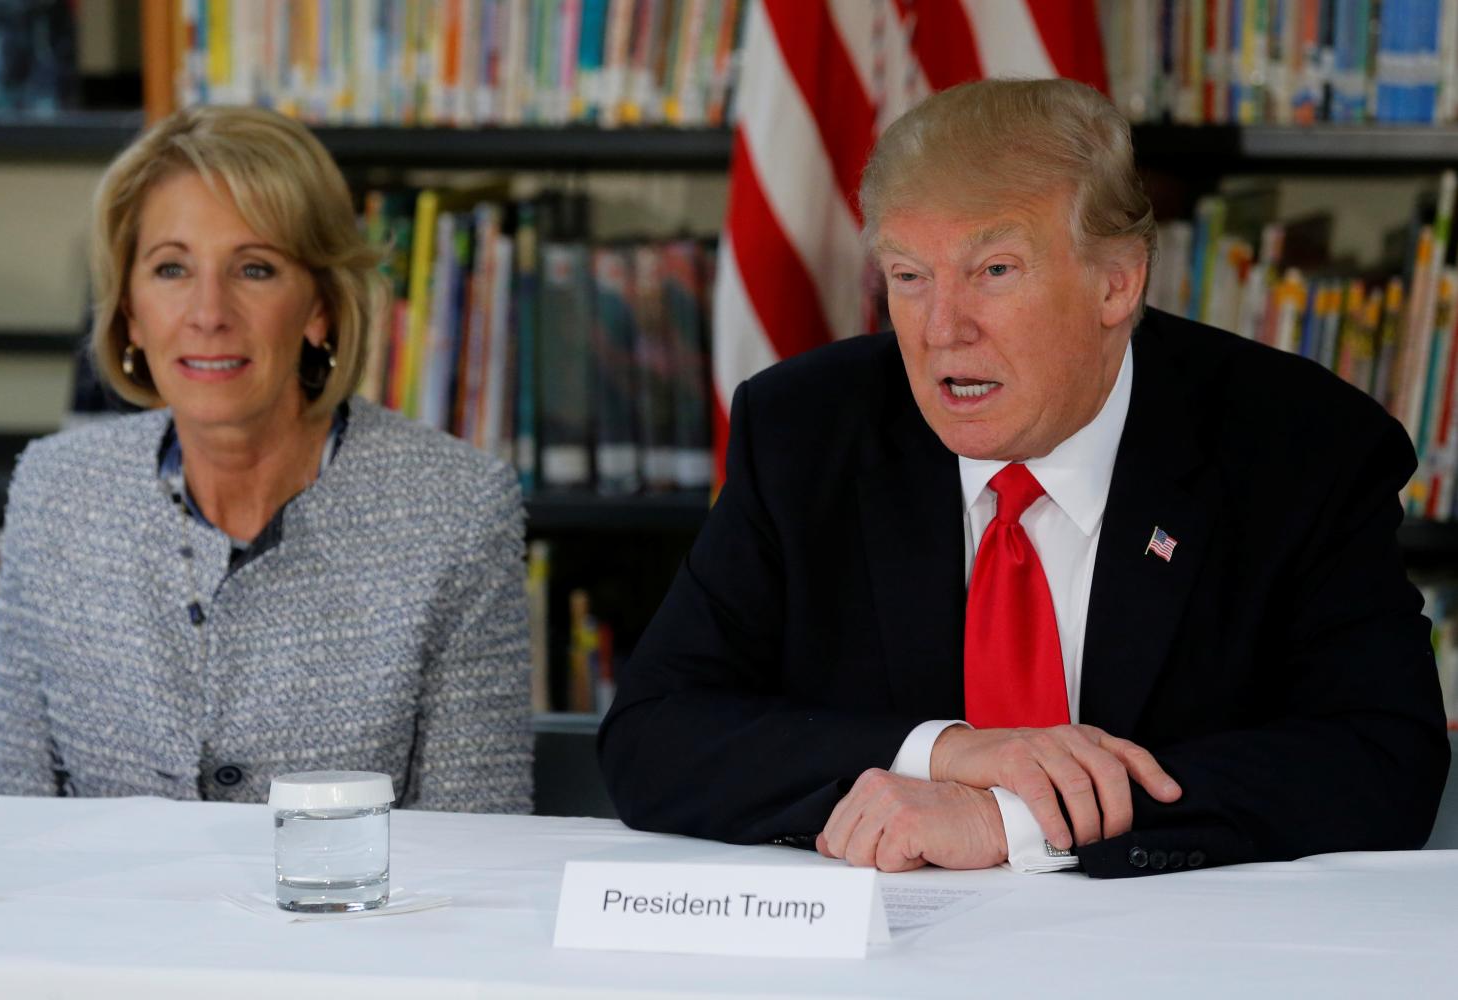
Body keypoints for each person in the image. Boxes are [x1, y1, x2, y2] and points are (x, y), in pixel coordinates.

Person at [598, 79, 1449, 877]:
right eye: (908, 278)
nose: (941, 329)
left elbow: (1381, 760)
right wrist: (949, 751)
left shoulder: (1299, 447)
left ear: (1116, 282)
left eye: (994, 272)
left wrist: (1015, 821)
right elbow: (653, 735)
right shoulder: (806, 432)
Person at [0, 106, 532, 812]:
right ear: (130, 314)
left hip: (354, 923)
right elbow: (14, 821)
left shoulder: (457, 509)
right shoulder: (55, 493)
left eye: (255, 268)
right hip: (111, 923)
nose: (208, 311)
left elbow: (477, 843)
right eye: (172, 268)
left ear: (320, 309)